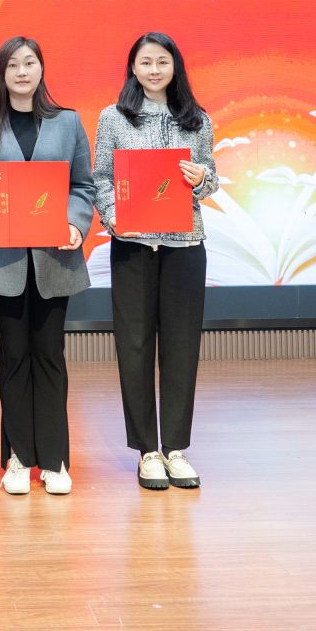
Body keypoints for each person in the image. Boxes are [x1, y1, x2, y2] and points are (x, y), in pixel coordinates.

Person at [0, 36, 94, 496]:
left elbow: (84, 186)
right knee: (14, 356)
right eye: (13, 65)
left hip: (55, 256)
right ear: (2, 73)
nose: (22, 72)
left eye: (30, 63)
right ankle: (18, 457)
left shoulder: (68, 122)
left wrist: (76, 224)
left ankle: (54, 459)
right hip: (2, 260)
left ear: (41, 69)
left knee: (50, 354)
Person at [91, 32, 219, 490]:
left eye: (162, 61)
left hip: (185, 246)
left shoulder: (197, 119)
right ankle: (147, 450)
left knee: (182, 348)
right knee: (135, 346)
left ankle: (176, 449)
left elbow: (211, 179)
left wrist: (202, 178)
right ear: (133, 67)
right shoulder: (113, 117)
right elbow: (101, 178)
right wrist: (112, 217)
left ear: (174, 66)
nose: (154, 70)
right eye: (145, 62)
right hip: (133, 246)